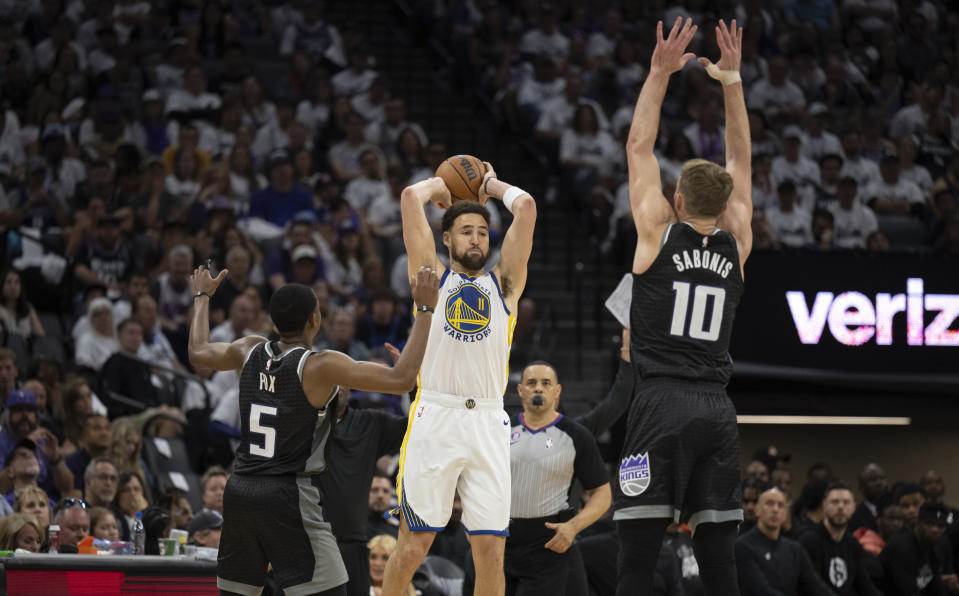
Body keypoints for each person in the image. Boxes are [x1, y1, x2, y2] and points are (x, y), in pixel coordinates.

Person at [187, 261, 439, 596]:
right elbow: (401, 379)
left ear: (274, 322)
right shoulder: (320, 365)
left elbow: (199, 352)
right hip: (289, 493)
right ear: (314, 320)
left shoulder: (247, 349)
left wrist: (202, 295)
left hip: (241, 489)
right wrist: (425, 309)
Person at [613, 19, 752, 596]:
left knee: (637, 561)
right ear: (723, 207)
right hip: (716, 410)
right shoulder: (737, 239)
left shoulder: (656, 234)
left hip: (658, 403)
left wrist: (659, 72)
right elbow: (741, 162)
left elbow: (637, 145)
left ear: (675, 200)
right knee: (720, 565)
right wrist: (732, 80)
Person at [382, 155, 536, 596]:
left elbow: (526, 209)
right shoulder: (430, 276)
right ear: (446, 238)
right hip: (437, 414)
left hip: (488, 420)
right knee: (413, 546)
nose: (476, 238)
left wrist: (491, 183)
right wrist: (441, 188)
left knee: (490, 552)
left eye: (483, 231)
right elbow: (412, 197)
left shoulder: (505, 284)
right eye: (466, 231)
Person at [504, 360, 612, 594]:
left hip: (548, 544)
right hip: (499, 541)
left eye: (546, 383)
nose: (538, 388)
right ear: (520, 390)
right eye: (531, 383)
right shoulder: (499, 430)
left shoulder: (576, 435)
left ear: (557, 391)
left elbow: (602, 494)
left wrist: (573, 527)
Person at [736, 487, 830, 595]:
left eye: (780, 505)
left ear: (785, 514)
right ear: (757, 510)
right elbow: (761, 590)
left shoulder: (795, 549)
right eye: (769, 503)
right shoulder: (742, 546)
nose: (775, 510)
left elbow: (816, 586)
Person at [798, 483, 882, 595]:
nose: (840, 507)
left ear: (854, 507)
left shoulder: (852, 543)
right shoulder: (810, 540)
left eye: (846, 502)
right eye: (834, 502)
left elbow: (864, 584)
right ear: (824, 506)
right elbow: (812, 587)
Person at [881, 502, 952, 596]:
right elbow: (907, 591)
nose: (935, 530)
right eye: (929, 524)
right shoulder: (901, 547)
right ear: (917, 523)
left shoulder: (930, 549)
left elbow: (936, 587)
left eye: (940, 526)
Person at [849, 463, 890, 532]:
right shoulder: (855, 517)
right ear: (861, 487)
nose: (879, 483)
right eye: (873, 480)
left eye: (882, 478)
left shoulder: (896, 508)